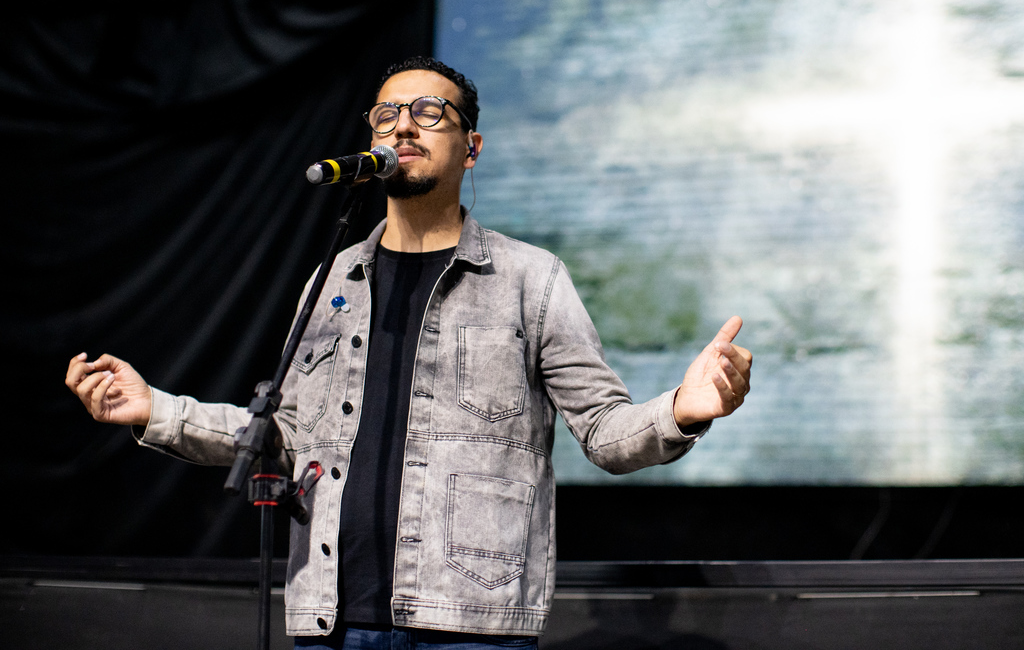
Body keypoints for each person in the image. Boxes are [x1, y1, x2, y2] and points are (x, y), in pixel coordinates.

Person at [64, 57, 753, 649]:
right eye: (387, 112)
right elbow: (283, 438)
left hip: (467, 622)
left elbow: (604, 434)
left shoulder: (529, 279)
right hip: (330, 618)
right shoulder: (333, 278)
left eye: (429, 111)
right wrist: (154, 408)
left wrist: (684, 410)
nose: (402, 124)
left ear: (471, 146)